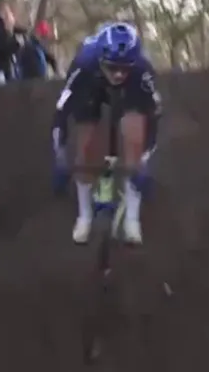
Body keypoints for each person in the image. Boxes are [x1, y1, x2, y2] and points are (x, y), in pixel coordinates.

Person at [51, 22, 160, 245]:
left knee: (134, 134)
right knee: (86, 144)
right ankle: (84, 216)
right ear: (101, 59)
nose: (118, 74)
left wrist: (144, 161)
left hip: (131, 91)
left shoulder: (142, 70)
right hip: (91, 86)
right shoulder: (83, 64)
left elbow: (155, 117)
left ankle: (132, 219)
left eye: (124, 68)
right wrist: (60, 156)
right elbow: (61, 112)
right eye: (112, 67)